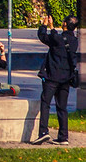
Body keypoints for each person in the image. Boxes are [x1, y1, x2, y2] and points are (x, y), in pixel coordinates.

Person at [31, 14, 78, 145]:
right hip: (66, 78)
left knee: (45, 103)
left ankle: (43, 132)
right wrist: (52, 29)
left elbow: (42, 36)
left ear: (64, 24)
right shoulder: (74, 41)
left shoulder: (56, 38)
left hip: (52, 77)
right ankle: (63, 137)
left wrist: (45, 25)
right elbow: (56, 38)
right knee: (62, 107)